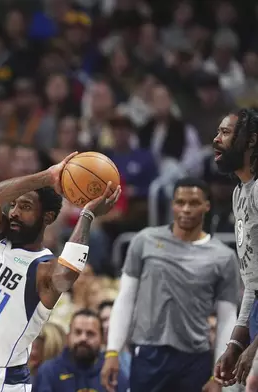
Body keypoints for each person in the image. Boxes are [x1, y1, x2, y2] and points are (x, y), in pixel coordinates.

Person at [0, 153, 122, 392]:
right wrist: (46, 177)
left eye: (26, 206)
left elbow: (67, 275)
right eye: (14, 205)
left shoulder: (44, 267)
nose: (14, 212)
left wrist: (87, 215)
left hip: (1, 380)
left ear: (48, 217)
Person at [100, 177, 240, 392]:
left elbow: (227, 317)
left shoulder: (223, 256)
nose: (185, 209)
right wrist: (112, 352)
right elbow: (125, 299)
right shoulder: (144, 241)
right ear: (172, 204)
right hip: (148, 354)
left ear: (206, 206)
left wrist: (217, 375)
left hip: (195, 358)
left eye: (193, 203)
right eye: (180, 202)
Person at [212, 110, 258, 390]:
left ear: (252, 140)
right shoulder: (240, 192)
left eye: (226, 133)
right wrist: (237, 341)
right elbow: (253, 282)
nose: (216, 140)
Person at [34, 309, 129, 392]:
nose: (83, 338)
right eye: (78, 332)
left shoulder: (113, 374)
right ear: (68, 336)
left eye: (90, 333)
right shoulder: (49, 372)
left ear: (102, 339)